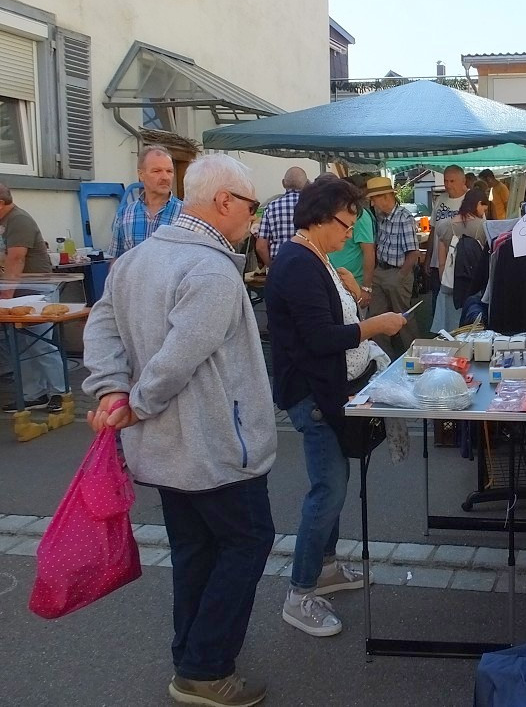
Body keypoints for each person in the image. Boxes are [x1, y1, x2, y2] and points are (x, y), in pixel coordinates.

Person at [82, 154, 276, 706]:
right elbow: (178, 357)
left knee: (196, 550)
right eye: (251, 205)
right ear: (224, 203)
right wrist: (132, 400)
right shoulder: (211, 268)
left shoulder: (139, 258)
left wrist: (114, 389)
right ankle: (205, 668)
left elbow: (102, 328)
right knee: (245, 543)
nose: (253, 218)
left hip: (170, 448)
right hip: (215, 446)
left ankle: (192, 656)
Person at [264, 177, 406, 638]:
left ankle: (324, 568)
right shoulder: (298, 263)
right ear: (322, 217)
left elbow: (330, 323)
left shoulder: (312, 258)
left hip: (327, 389)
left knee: (333, 485)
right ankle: (299, 591)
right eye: (346, 224)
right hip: (314, 394)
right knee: (327, 489)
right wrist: (375, 326)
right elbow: (320, 338)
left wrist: (354, 297)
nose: (350, 233)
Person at [0, 185, 66, 413]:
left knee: (41, 343)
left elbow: (16, 259)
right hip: (19, 292)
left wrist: (5, 295)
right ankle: (33, 394)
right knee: (23, 346)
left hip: (37, 290)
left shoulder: (17, 220)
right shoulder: (4, 223)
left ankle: (61, 391)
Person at [366, 176, 421, 357]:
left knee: (403, 318)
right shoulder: (381, 217)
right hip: (381, 271)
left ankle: (414, 357)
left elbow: (413, 253)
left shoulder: (404, 217)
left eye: (373, 200)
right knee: (375, 319)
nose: (372, 204)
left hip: (398, 272)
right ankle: (384, 360)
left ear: (385, 197)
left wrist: (400, 276)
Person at [431, 187, 489, 333]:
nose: (484, 211)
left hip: (450, 288)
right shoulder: (483, 227)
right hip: (473, 286)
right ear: (478, 204)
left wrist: (446, 281)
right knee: (470, 329)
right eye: (484, 206)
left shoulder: (444, 225)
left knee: (449, 331)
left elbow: (441, 260)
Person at [109, 146, 184, 257]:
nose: (165, 177)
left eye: (169, 171)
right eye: (157, 171)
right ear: (141, 175)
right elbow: (116, 261)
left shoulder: (186, 214)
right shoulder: (124, 214)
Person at [327, 174, 376, 311]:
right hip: (333, 281)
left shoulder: (360, 215)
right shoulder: (333, 215)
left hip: (353, 284)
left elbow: (369, 251)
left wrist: (366, 288)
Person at [255, 165, 310, 266]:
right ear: (306, 184)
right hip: (308, 265)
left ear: (283, 183)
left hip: (279, 265)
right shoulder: (312, 206)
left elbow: (260, 246)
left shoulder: (271, 207)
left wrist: (271, 267)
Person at [425, 165, 466, 292]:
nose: (448, 185)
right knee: (437, 304)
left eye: (452, 181)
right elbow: (434, 229)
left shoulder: (470, 199)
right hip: (437, 262)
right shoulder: (440, 199)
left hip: (459, 263)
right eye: (445, 181)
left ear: (463, 181)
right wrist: (428, 257)